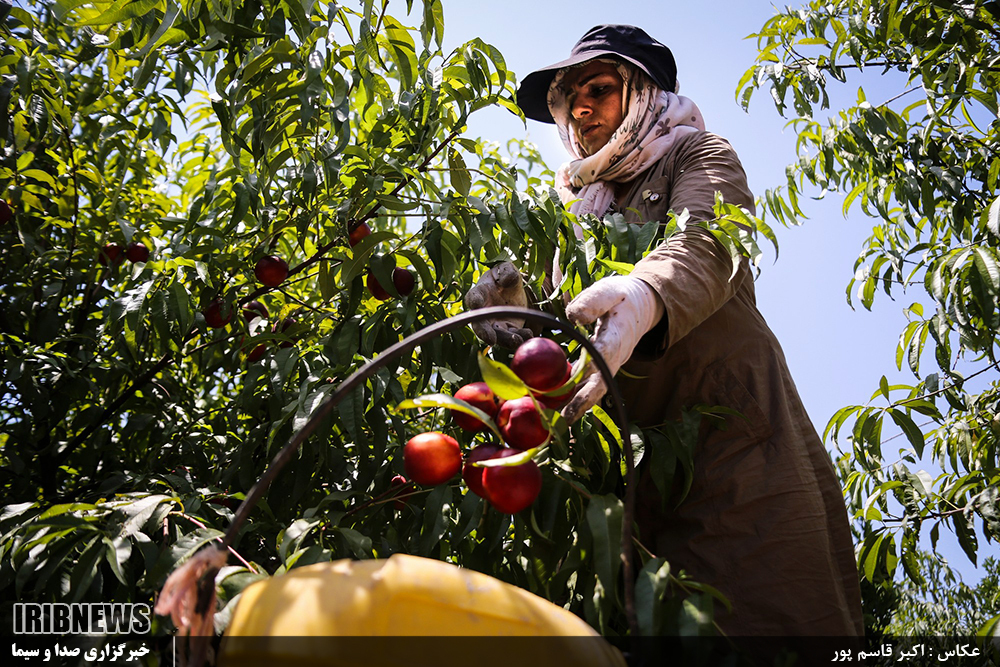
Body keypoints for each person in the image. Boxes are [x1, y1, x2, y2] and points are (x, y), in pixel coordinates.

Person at [464, 25, 864, 638]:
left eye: (599, 88)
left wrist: (648, 292)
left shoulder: (698, 156)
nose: (580, 109)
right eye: (570, 99)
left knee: (771, 627)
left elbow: (708, 241)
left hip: (735, 452)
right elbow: (564, 348)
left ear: (644, 92)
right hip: (633, 487)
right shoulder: (573, 216)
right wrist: (517, 323)